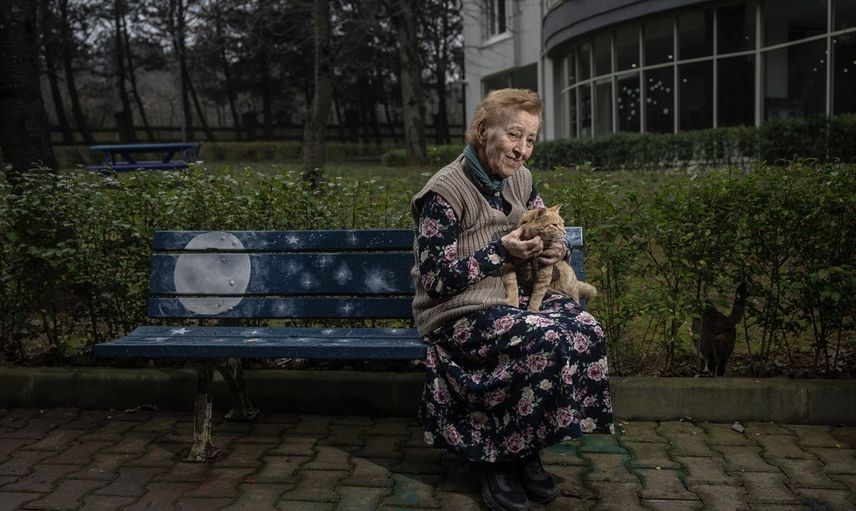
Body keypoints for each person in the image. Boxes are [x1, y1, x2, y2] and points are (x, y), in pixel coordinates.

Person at [410, 88, 614, 511]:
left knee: (586, 329)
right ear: (483, 131)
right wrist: (499, 252)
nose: (522, 150)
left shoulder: (520, 179)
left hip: (512, 299)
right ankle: (494, 458)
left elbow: (546, 226)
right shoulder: (443, 192)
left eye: (530, 139)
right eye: (513, 135)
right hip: (458, 309)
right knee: (542, 338)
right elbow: (435, 280)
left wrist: (558, 249)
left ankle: (525, 446)